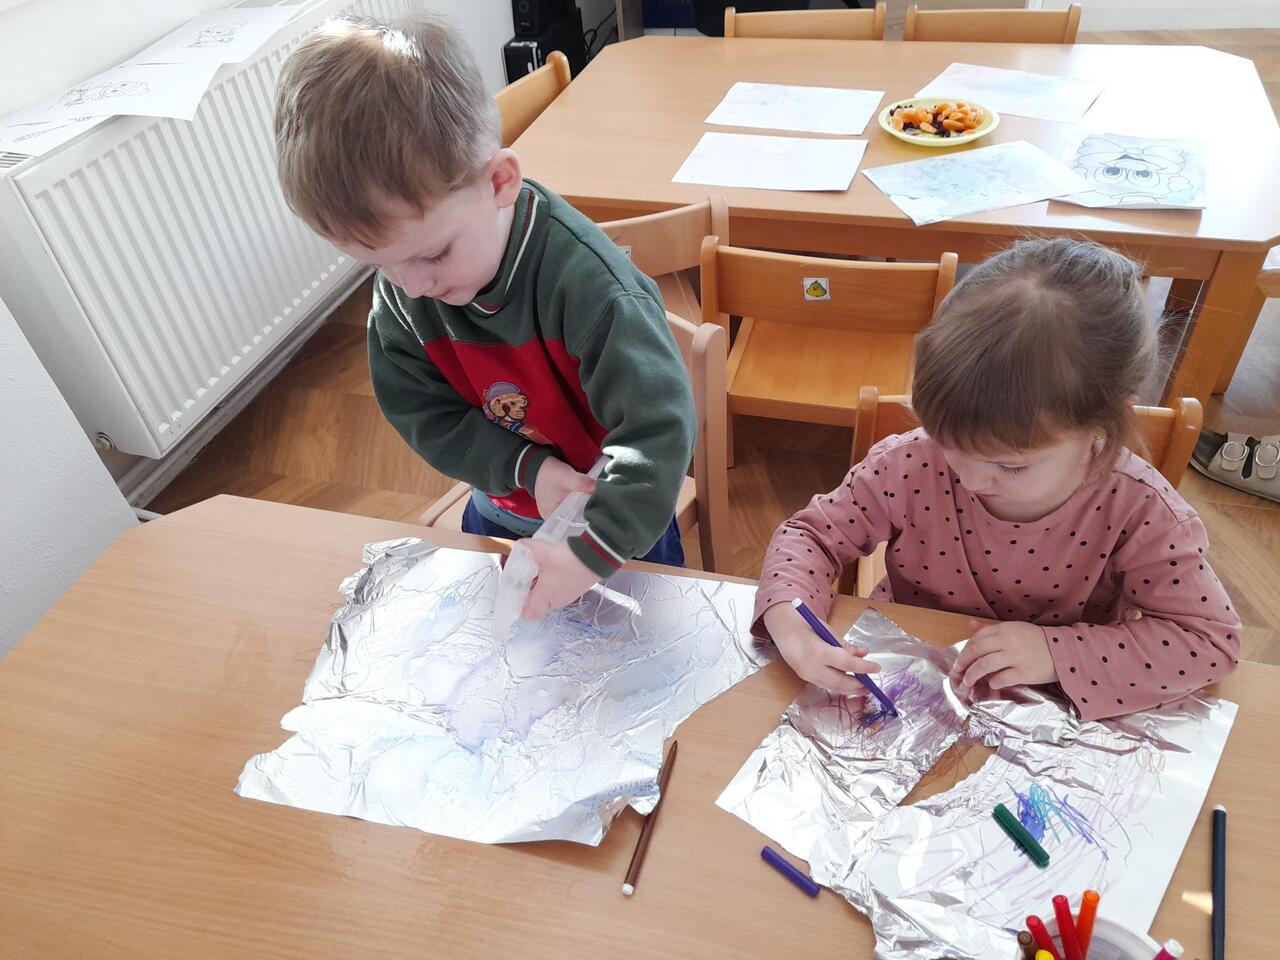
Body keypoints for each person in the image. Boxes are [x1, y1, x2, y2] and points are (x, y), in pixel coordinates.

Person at [273, 15, 695, 618]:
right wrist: (527, 470)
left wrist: (591, 551)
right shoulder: (406, 286)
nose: (413, 286)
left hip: (615, 526)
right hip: (501, 507)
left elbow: (659, 431)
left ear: (499, 181)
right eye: (380, 265)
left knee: (641, 643)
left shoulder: (592, 291)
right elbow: (425, 413)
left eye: (431, 255)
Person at [754, 238, 1240, 721]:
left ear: (1101, 427)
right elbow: (809, 537)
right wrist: (790, 624)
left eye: (1011, 466)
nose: (969, 479)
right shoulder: (910, 463)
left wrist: (1055, 652)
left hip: (1054, 709)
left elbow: (1210, 641)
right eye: (949, 444)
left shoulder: (1139, 510)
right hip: (913, 678)